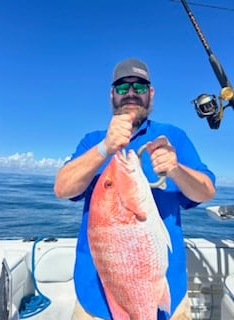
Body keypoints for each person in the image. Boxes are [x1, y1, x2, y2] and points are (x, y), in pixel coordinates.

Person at [54, 58, 216, 320]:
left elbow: (206, 191)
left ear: (151, 94)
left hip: (167, 299)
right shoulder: (93, 141)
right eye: (122, 88)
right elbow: (61, 188)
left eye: (139, 87)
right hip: (94, 302)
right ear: (111, 95)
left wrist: (176, 168)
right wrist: (104, 148)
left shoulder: (173, 137)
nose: (130, 93)